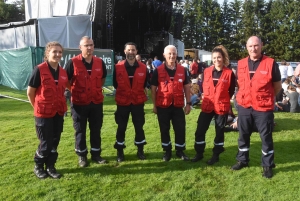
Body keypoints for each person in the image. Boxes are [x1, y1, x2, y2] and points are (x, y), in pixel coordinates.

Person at [231, 36, 281, 178]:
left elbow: (277, 87)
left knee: (265, 137)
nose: (254, 48)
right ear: (247, 47)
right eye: (251, 46)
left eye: (256, 45)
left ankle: (267, 165)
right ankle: (242, 160)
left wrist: (265, 96)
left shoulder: (271, 63)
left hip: (263, 107)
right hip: (245, 106)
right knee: (243, 135)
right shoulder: (240, 64)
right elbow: (240, 83)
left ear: (261, 45)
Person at [65, 36, 107, 167]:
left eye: (91, 45)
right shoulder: (72, 62)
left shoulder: (100, 62)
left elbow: (102, 79)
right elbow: (66, 81)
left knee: (96, 129)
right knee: (80, 130)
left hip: (96, 102)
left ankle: (96, 154)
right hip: (79, 103)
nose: (89, 47)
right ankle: (82, 156)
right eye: (86, 45)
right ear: (80, 47)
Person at [27, 41, 68, 179]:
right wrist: (37, 107)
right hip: (43, 113)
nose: (57, 54)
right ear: (47, 53)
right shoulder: (39, 69)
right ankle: (38, 166)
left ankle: (51, 166)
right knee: (45, 143)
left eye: (60, 52)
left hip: (58, 112)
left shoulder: (62, 72)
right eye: (54, 52)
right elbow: (30, 92)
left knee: (55, 142)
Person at [191, 45, 236, 165]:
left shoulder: (229, 73)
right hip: (207, 105)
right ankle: (199, 153)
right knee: (200, 130)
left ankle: (216, 155)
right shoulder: (206, 71)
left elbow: (231, 91)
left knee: (219, 131)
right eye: (214, 58)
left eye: (219, 57)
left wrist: (222, 98)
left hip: (221, 106)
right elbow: (203, 86)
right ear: (212, 59)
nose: (217, 60)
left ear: (223, 58)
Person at [151, 45, 191, 161]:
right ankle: (167, 151)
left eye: (174, 53)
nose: (172, 56)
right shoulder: (158, 71)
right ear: (164, 55)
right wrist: (154, 105)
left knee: (180, 128)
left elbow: (187, 87)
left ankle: (180, 150)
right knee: (164, 129)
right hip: (162, 105)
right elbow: (153, 89)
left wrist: (188, 103)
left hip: (178, 106)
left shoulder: (183, 70)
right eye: (169, 54)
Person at [113, 42, 149, 162]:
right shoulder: (117, 67)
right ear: (125, 51)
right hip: (123, 102)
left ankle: (140, 150)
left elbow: (145, 83)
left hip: (138, 102)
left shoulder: (143, 68)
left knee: (139, 127)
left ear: (136, 51)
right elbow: (115, 83)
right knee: (121, 127)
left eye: (133, 50)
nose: (131, 52)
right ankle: (120, 152)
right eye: (129, 50)